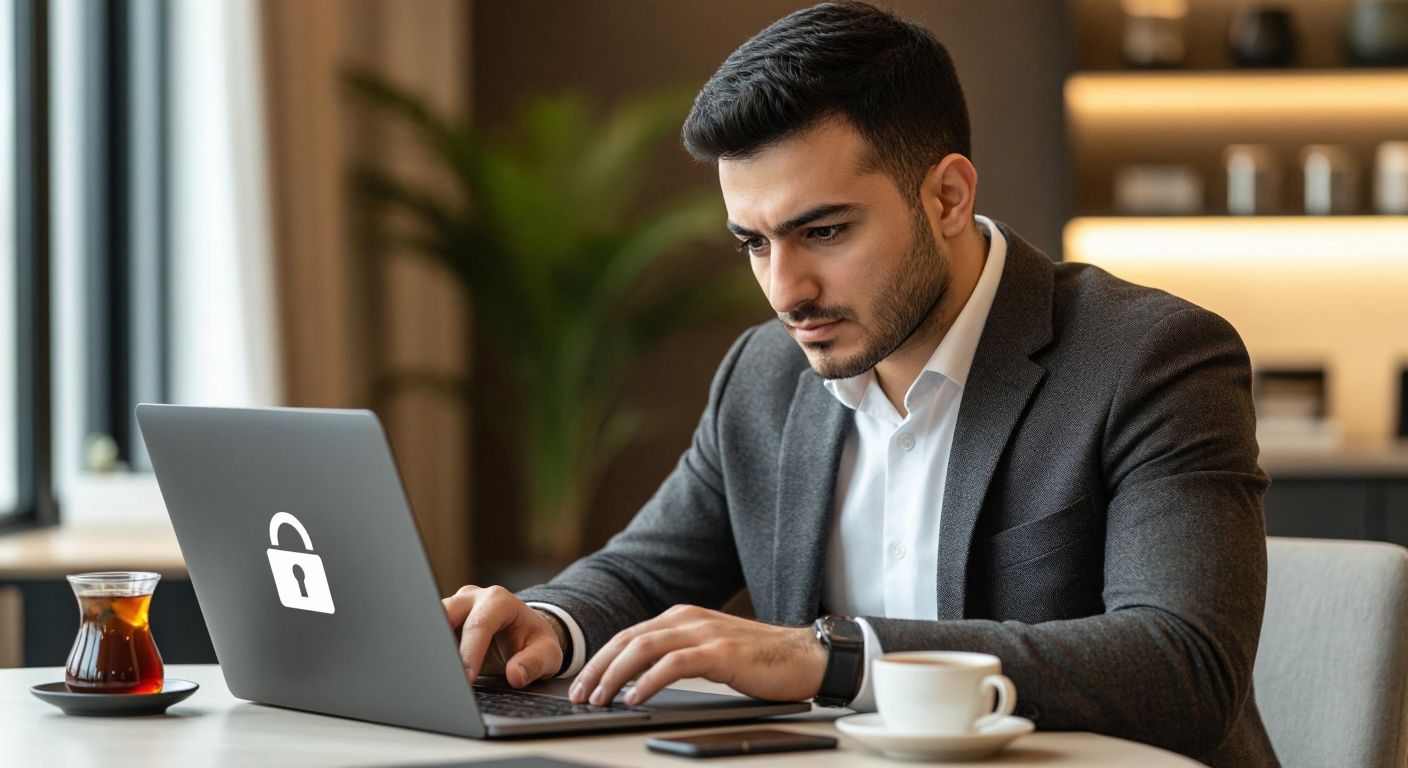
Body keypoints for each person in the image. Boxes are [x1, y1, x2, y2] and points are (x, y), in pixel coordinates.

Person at [441, 3, 1278, 765]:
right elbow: (639, 576)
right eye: (755, 243)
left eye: (825, 230)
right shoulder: (763, 377)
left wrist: (828, 656)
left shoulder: (1152, 358)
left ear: (947, 195)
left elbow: (1183, 667)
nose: (785, 291)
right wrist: (546, 624)